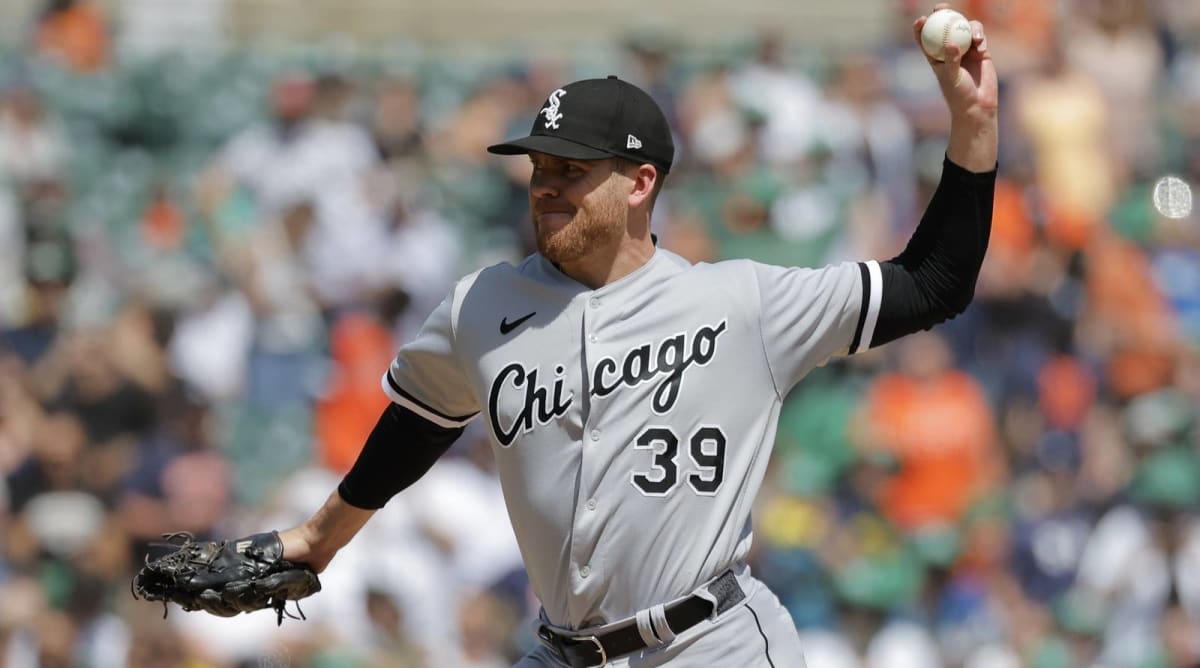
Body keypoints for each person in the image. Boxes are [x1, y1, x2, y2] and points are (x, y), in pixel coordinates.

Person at [275, 6, 998, 666]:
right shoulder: (483, 305)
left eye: (571, 169)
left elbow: (934, 281)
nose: (545, 185)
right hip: (561, 651)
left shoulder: (740, 302)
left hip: (709, 644)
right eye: (539, 167)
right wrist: (316, 539)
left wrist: (973, 124)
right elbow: (417, 424)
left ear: (640, 183)